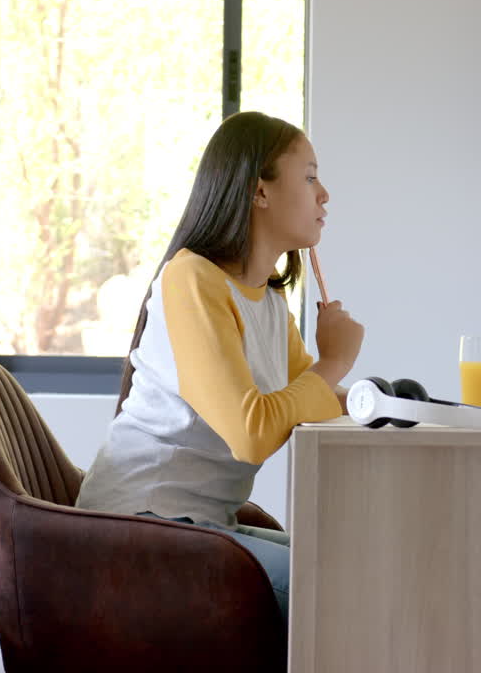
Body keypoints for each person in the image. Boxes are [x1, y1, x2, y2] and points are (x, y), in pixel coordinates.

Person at [75, 111, 364, 624]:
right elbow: (251, 430)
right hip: (139, 528)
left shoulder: (268, 299)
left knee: (355, 567)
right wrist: (334, 361)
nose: (325, 195)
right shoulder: (191, 278)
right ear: (260, 192)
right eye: (311, 176)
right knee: (335, 589)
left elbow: (308, 401)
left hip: (196, 524)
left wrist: (383, 403)